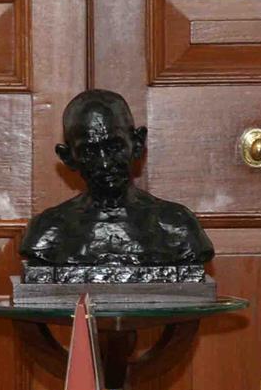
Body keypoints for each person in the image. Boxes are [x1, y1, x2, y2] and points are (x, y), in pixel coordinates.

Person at [19, 89, 214, 267]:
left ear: (137, 144)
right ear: (69, 158)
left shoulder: (177, 227)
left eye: (114, 147)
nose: (104, 163)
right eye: (89, 152)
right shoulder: (46, 232)